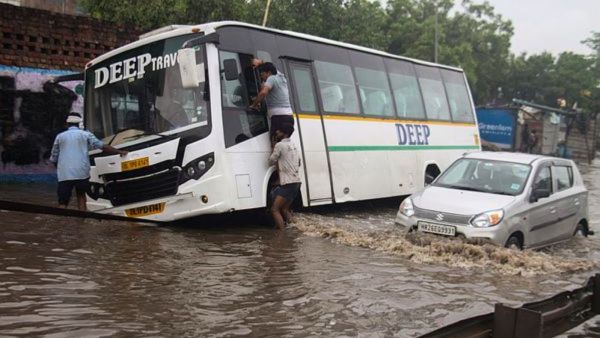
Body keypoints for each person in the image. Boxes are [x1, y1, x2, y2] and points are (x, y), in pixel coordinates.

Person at [49, 112, 127, 211]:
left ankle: (61, 224)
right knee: (81, 196)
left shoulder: (60, 137)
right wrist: (119, 152)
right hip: (82, 173)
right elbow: (102, 146)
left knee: (62, 203)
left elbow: (54, 157)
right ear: (79, 123)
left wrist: (60, 167)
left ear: (67, 124)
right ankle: (82, 222)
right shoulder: (86, 134)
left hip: (65, 175)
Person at [249, 61, 294, 143]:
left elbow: (263, 93)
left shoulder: (271, 78)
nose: (261, 77)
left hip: (278, 118)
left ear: (268, 73)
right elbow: (271, 66)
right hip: (289, 117)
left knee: (275, 145)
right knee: (283, 145)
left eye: (262, 74)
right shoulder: (281, 77)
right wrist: (260, 62)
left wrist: (254, 105)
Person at [268, 124, 301, 229]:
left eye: (279, 131)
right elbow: (299, 162)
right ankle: (296, 229)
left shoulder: (279, 145)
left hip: (287, 184)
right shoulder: (294, 145)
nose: (276, 132)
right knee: (285, 209)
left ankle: (282, 236)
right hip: (296, 183)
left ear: (285, 133)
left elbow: (270, 161)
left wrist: (273, 148)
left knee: (274, 209)